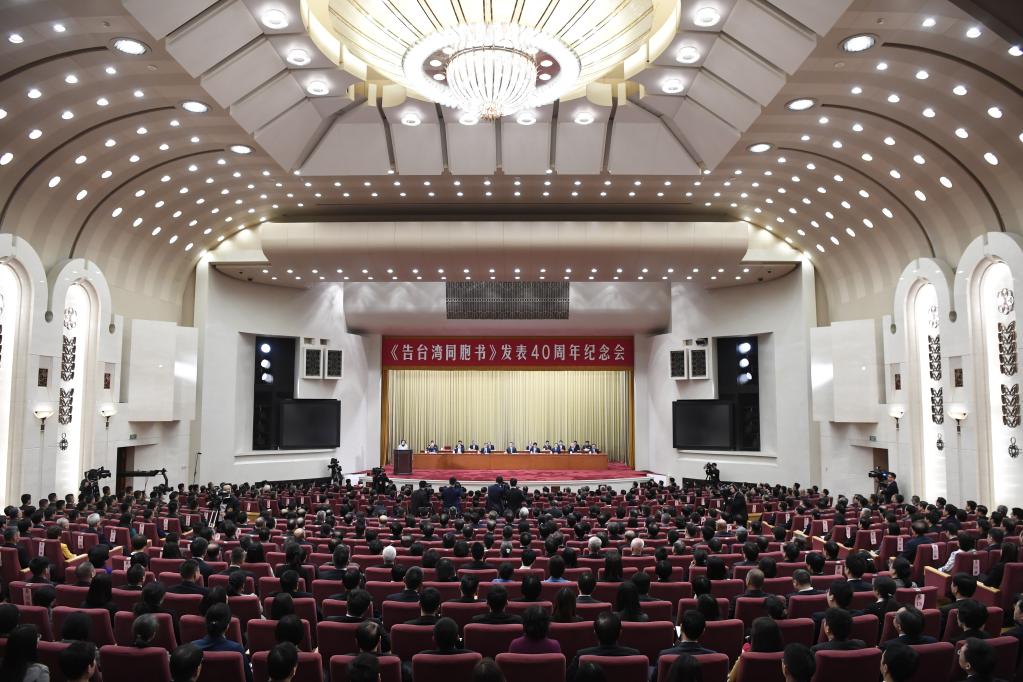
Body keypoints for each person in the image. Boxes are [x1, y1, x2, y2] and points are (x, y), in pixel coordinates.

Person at [566, 612, 641, 682]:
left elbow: (567, 678)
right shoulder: (635, 655)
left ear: (595, 633)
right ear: (620, 633)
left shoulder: (582, 655)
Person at [191, 603, 253, 682]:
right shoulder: (236, 649)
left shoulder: (192, 647)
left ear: (206, 623)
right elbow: (249, 679)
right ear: (227, 626)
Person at [651, 610, 716, 673]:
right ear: (703, 631)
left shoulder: (664, 655)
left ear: (681, 627)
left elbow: (655, 678)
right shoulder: (714, 656)